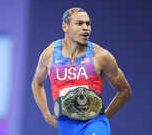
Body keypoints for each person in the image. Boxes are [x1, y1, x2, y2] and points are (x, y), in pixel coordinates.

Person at [32, 7, 132, 135]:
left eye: (88, 23)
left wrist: (103, 118)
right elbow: (37, 83)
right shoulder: (49, 54)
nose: (86, 28)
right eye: (79, 23)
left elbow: (125, 91)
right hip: (66, 127)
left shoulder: (101, 56)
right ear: (65, 27)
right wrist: (46, 114)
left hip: (94, 125)